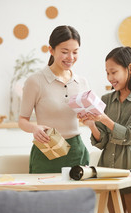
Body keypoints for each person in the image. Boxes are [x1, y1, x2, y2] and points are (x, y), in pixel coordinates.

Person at [79, 46, 131, 213]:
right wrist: (91, 125)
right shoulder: (106, 100)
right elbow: (101, 141)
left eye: (114, 72)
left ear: (130, 68)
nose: (110, 77)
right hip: (108, 174)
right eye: (107, 73)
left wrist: (103, 119)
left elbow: (130, 136)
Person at [19, 25, 90, 173]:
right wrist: (34, 128)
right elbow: (22, 120)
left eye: (75, 52)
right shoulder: (35, 81)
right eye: (65, 52)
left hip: (77, 151)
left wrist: (91, 118)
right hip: (47, 151)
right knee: (44, 196)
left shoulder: (82, 82)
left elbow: (89, 118)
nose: (70, 58)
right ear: (51, 50)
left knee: (77, 196)